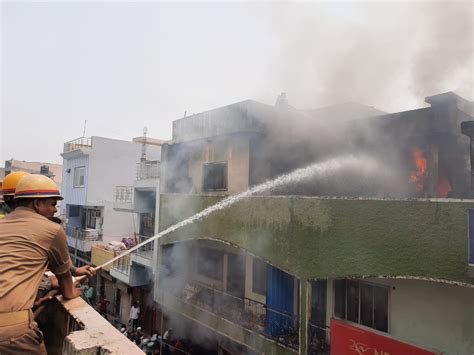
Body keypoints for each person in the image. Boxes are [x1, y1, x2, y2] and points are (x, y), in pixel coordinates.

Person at [0, 174, 81, 354]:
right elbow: (66, 282)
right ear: (37, 203)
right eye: (52, 204)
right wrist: (72, 290)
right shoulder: (52, 230)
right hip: (11, 334)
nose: (54, 210)